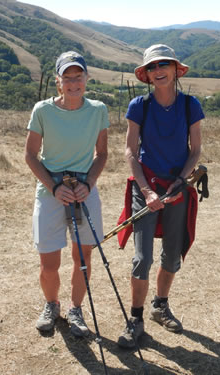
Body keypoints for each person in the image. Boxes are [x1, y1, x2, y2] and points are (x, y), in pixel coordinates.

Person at [117, 44, 204, 348]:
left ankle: (160, 306)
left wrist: (180, 182)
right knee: (142, 258)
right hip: (145, 186)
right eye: (152, 67)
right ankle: (136, 319)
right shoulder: (138, 106)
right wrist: (145, 190)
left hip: (177, 189)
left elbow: (195, 150)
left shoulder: (190, 105)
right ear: (147, 75)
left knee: (171, 254)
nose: (158, 71)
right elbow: (130, 150)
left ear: (175, 69)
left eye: (163, 64)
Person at [24, 51, 109, 337]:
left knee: (83, 259)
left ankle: (76, 309)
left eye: (78, 76)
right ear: (58, 82)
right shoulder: (42, 110)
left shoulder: (98, 110)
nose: (74, 83)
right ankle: (52, 305)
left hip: (85, 191)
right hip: (50, 192)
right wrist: (54, 188)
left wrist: (90, 182)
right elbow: (30, 155)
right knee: (49, 263)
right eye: (67, 78)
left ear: (87, 78)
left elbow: (102, 153)